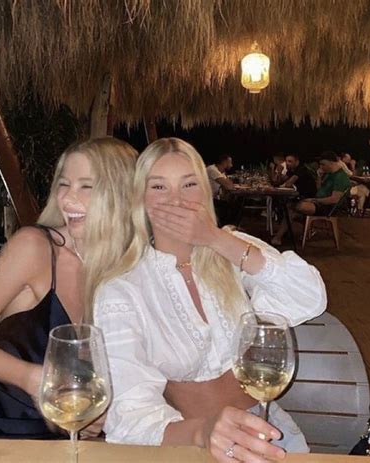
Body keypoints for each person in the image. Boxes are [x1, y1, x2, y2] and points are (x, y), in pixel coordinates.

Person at [93, 138, 327, 462]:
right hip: (187, 443)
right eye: (159, 187)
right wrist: (204, 433)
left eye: (189, 184)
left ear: (206, 191)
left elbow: (310, 296)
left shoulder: (231, 247)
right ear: (140, 199)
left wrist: (215, 238)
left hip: (268, 426)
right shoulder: (122, 288)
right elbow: (128, 414)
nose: (176, 200)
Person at [0, 137, 137, 438]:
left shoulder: (129, 267)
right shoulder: (35, 248)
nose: (67, 199)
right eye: (63, 184)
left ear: (123, 193)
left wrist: (104, 413)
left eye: (86, 186)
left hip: (64, 440)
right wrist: (34, 380)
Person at [272, 151, 351, 245]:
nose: (321, 167)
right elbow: (319, 190)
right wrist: (319, 177)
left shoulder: (340, 177)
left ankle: (279, 236)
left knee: (293, 207)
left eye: (323, 164)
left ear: (331, 162)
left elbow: (334, 199)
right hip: (318, 202)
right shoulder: (329, 174)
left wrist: (314, 200)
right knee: (290, 207)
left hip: (328, 207)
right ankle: (281, 236)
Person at [206, 153, 237, 226]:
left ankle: (228, 226)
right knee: (231, 206)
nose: (231, 165)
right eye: (230, 162)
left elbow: (230, 185)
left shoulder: (220, 171)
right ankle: (224, 227)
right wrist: (228, 184)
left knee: (233, 205)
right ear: (224, 162)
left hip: (213, 198)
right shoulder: (212, 169)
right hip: (207, 199)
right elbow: (229, 186)